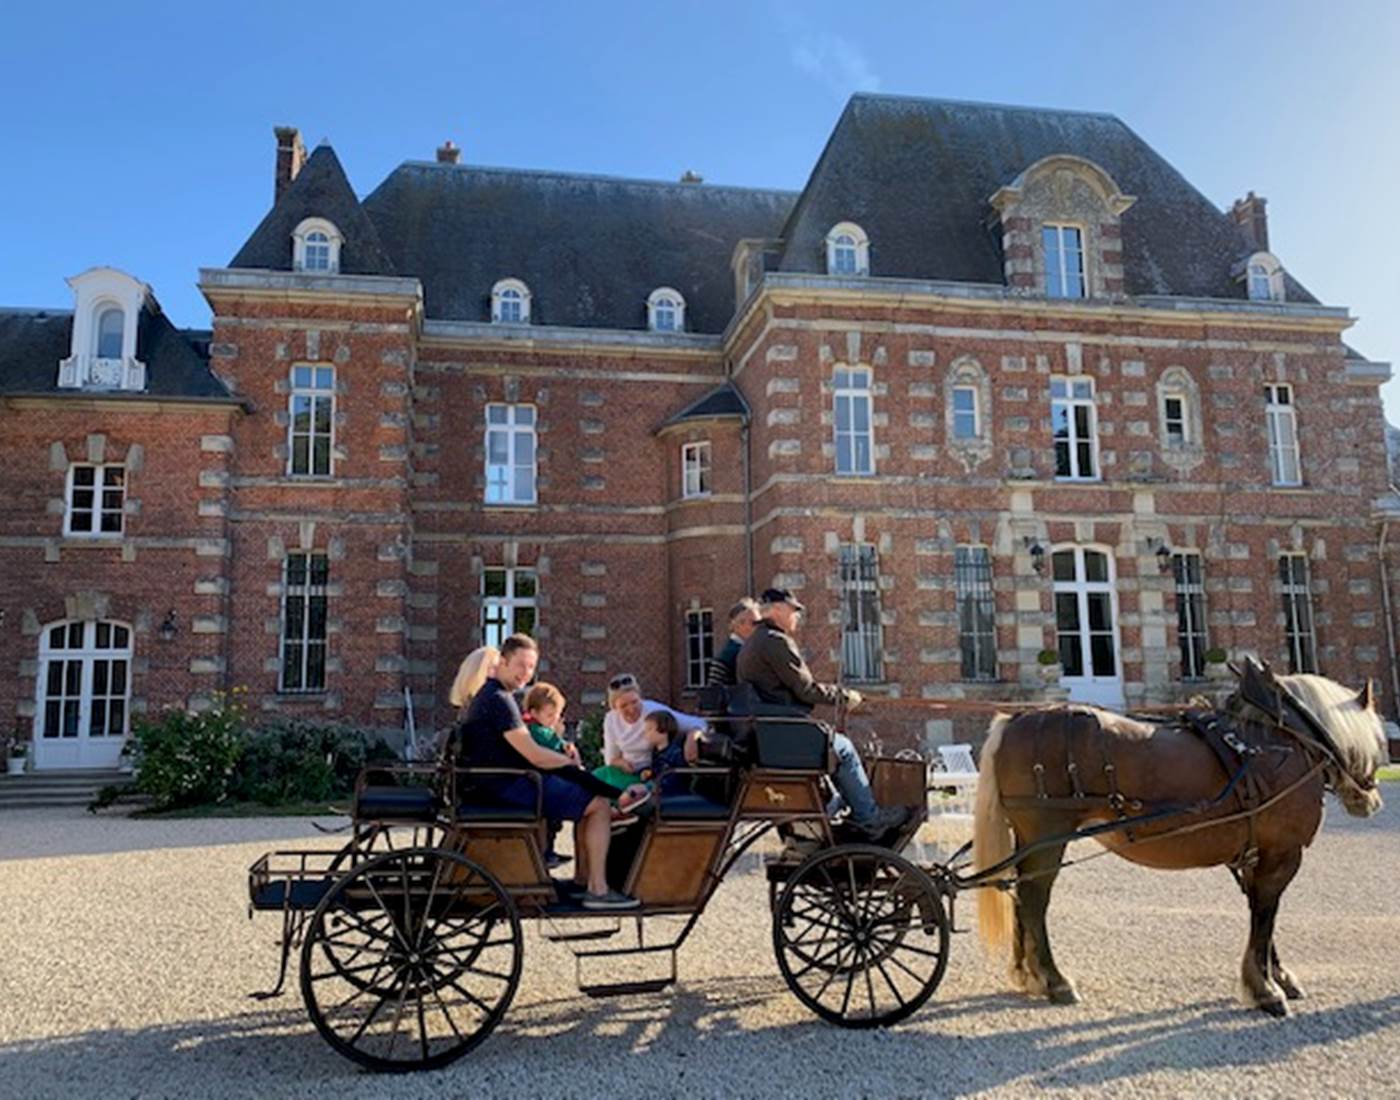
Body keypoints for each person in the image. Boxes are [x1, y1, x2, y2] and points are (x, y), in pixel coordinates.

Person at [456, 634, 640, 910]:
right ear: (502, 662)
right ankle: (598, 891)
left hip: (498, 783)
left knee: (586, 797)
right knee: (599, 806)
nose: (525, 673)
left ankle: (582, 880)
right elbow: (535, 755)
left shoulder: (491, 697)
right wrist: (573, 767)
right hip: (507, 787)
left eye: (531, 667)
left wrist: (574, 771)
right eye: (520, 665)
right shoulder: (499, 700)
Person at [736, 587, 910, 840]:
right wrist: (843, 696)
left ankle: (836, 805)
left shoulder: (752, 643)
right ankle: (869, 818)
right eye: (794, 610)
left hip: (770, 732)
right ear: (777, 609)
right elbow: (806, 690)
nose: (797, 616)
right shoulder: (776, 642)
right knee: (845, 750)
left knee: (834, 748)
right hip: (783, 732)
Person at [595, 673, 706, 789]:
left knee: (614, 793)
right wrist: (621, 763)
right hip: (625, 772)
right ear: (614, 707)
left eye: (634, 702)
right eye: (624, 706)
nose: (631, 709)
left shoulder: (653, 711)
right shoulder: (611, 720)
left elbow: (699, 723)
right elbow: (611, 759)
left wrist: (692, 736)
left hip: (650, 774)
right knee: (594, 780)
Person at [521, 682, 579, 869]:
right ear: (534, 713)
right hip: (541, 785)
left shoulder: (529, 728)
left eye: (557, 715)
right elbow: (557, 754)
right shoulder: (540, 732)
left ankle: (548, 851)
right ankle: (546, 852)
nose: (554, 719)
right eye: (549, 715)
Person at [705, 597, 760, 687]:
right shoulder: (732, 653)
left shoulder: (730, 651)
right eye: (754, 623)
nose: (758, 627)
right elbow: (714, 690)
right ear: (736, 625)